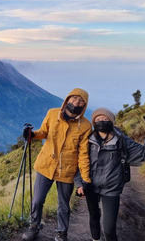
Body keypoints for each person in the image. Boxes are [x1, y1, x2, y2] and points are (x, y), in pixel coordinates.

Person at [75, 107, 145, 241]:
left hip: (112, 189)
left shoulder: (122, 141)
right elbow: (78, 163)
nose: (102, 121)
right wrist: (79, 183)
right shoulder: (86, 140)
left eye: (105, 119)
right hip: (90, 185)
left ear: (112, 121)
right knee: (94, 217)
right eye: (98, 119)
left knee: (109, 229)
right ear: (93, 122)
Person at [22, 88, 92, 241]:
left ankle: (61, 233)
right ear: (67, 100)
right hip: (46, 165)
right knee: (38, 200)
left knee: (64, 205)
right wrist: (32, 135)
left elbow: (83, 154)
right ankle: (34, 226)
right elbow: (43, 132)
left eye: (81, 101)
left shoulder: (86, 126)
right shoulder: (53, 114)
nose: (76, 103)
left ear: (84, 105)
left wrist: (85, 179)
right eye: (74, 99)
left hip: (67, 170)